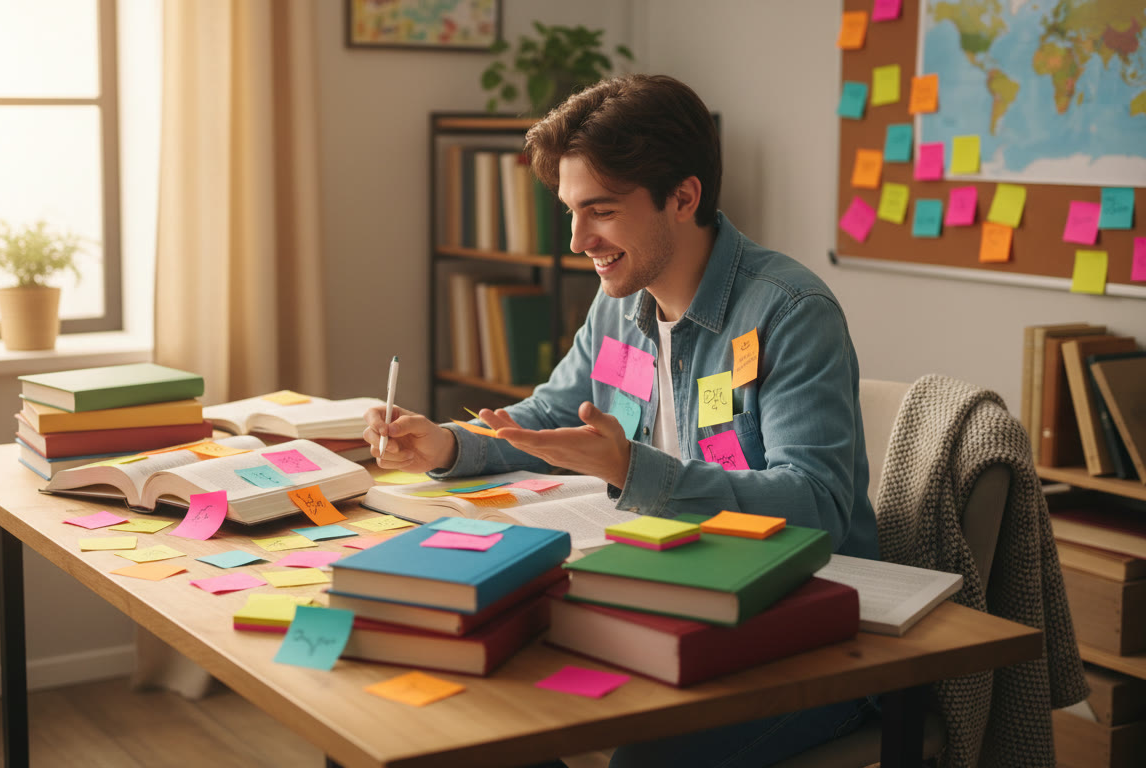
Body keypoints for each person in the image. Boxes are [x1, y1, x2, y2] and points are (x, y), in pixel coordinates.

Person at [363, 74, 879, 767]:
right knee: (489, 715)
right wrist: (449, 443)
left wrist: (632, 471)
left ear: (684, 197)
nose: (578, 239)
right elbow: (552, 414)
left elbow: (815, 504)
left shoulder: (789, 313)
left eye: (599, 211)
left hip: (806, 629)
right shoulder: (619, 302)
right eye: (572, 212)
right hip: (676, 594)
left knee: (639, 757)